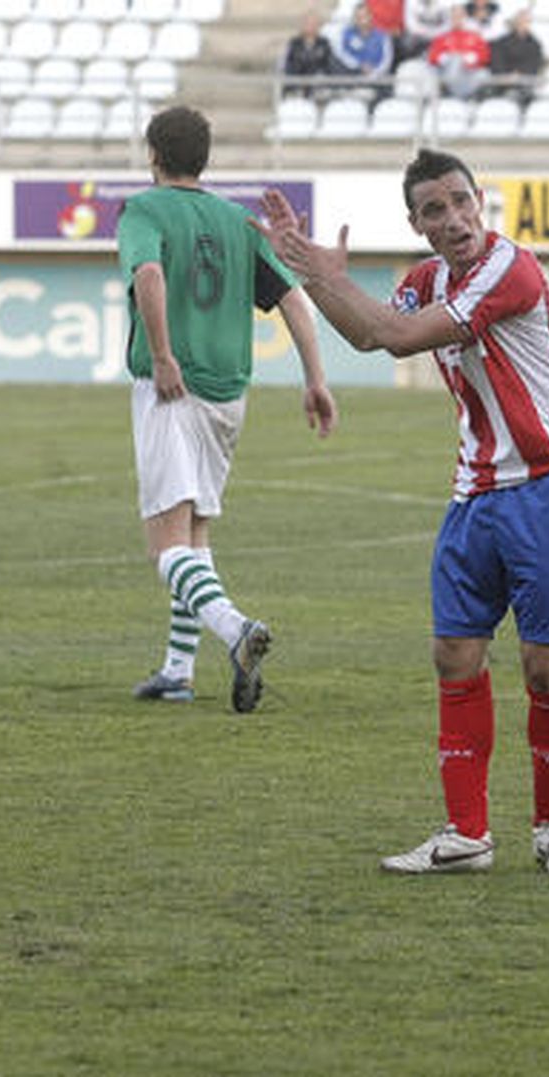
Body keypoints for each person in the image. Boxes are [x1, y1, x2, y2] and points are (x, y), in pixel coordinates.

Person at [257, 148, 549, 877]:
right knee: (454, 653)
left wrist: (325, 273)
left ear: (482, 202)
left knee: (543, 668)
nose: (453, 219)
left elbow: (398, 335)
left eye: (461, 201)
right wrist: (312, 273)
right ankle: (467, 833)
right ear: (415, 222)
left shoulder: (513, 270)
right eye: (434, 210)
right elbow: (368, 330)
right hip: (476, 490)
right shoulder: (424, 280)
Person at [120, 105, 338, 713]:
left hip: (172, 390)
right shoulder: (237, 223)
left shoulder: (143, 209)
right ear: (205, 159)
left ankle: (237, 630)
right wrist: (315, 379)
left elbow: (149, 275)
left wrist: (163, 355)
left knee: (165, 545)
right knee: (195, 535)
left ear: (154, 156)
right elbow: (293, 298)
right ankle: (178, 670)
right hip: (229, 395)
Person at [427, 4, 491, 101]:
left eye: (460, 16)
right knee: (454, 60)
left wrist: (473, 58)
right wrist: (444, 57)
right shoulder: (442, 37)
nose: (457, 19)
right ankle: (450, 93)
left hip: (468, 73)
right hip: (447, 73)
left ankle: (464, 96)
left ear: (465, 18)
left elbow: (484, 56)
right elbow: (433, 56)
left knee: (484, 73)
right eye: (454, 16)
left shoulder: (474, 36)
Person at [334, 4, 394, 105]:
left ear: (370, 16)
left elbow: (387, 59)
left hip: (377, 78)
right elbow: (342, 54)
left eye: (365, 16)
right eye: (359, 17)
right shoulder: (347, 34)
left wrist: (375, 73)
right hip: (354, 77)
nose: (363, 19)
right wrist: (359, 65)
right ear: (355, 18)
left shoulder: (382, 35)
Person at [489, 7, 545, 108]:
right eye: (520, 21)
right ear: (515, 22)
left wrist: (520, 74)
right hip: (503, 83)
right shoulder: (501, 42)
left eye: (526, 21)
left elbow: (535, 64)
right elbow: (497, 62)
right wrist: (509, 75)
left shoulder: (535, 45)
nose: (522, 24)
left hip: (525, 84)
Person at [281, 10, 337, 100]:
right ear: (302, 25)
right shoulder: (294, 43)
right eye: (307, 23)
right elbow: (289, 65)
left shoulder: (325, 43)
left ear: (319, 26)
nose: (311, 27)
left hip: (318, 86)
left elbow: (330, 65)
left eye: (314, 24)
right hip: (298, 85)